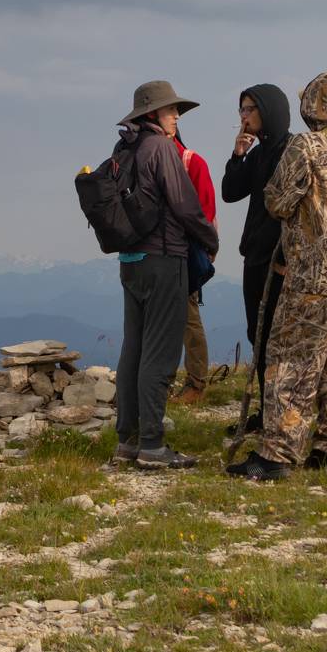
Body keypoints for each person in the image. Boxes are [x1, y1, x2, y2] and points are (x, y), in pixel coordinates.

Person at [227, 72, 327, 481]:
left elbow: (277, 201)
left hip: (313, 274)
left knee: (290, 359)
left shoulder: (306, 146)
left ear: (312, 106)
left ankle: (277, 455)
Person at [110, 81, 220, 470]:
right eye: (172, 110)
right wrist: (210, 240)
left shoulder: (123, 148)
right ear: (154, 113)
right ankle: (153, 446)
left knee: (133, 350)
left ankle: (127, 442)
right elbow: (186, 206)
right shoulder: (161, 148)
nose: (176, 117)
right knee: (160, 353)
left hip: (131, 261)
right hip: (164, 259)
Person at [220, 84, 292, 433]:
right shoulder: (259, 151)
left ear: (269, 110)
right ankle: (267, 412)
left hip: (280, 260)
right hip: (254, 257)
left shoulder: (291, 150)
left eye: (249, 109)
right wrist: (238, 155)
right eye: (242, 109)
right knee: (257, 334)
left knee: (277, 339)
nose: (243, 116)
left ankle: (280, 413)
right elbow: (230, 192)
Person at [170, 124, 218, 405]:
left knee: (188, 318)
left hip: (185, 252)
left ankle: (196, 383)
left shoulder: (191, 162)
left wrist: (206, 246)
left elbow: (205, 212)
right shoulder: (158, 160)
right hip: (163, 252)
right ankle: (167, 381)